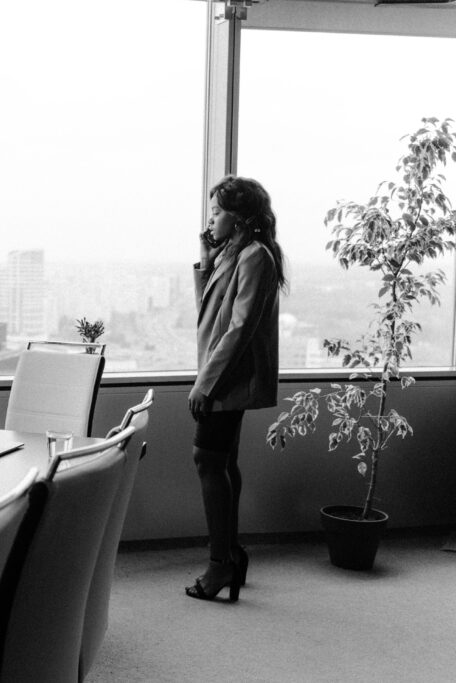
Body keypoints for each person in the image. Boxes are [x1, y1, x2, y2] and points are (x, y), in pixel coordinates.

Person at [185, 175, 286, 602]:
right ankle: (231, 553)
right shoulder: (236, 254)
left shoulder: (255, 257)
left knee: (207, 461)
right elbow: (210, 315)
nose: (211, 219)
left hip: (228, 377)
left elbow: (241, 329)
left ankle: (220, 563)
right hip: (223, 373)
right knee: (222, 462)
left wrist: (206, 383)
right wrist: (206, 261)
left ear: (240, 217)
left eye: (217, 211)